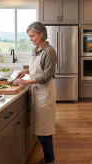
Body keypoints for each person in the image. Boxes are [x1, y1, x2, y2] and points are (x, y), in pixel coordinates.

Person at [14, 22, 57, 164]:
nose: (30, 39)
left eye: (32, 36)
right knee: (41, 129)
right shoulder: (36, 49)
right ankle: (49, 158)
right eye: (29, 36)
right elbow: (36, 70)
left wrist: (26, 82)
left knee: (44, 130)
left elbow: (46, 76)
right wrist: (25, 71)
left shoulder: (49, 51)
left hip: (45, 94)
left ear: (41, 34)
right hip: (36, 92)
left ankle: (50, 160)